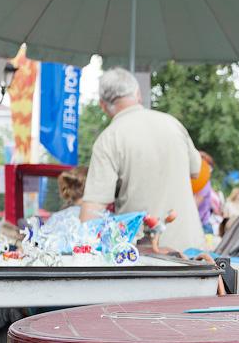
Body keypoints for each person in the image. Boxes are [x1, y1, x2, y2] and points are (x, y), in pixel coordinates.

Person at [80, 67, 205, 252]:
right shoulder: (173, 124)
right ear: (138, 94)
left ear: (102, 105)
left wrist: (81, 249)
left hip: (144, 255)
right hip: (192, 250)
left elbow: (92, 212)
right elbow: (197, 171)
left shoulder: (109, 139)